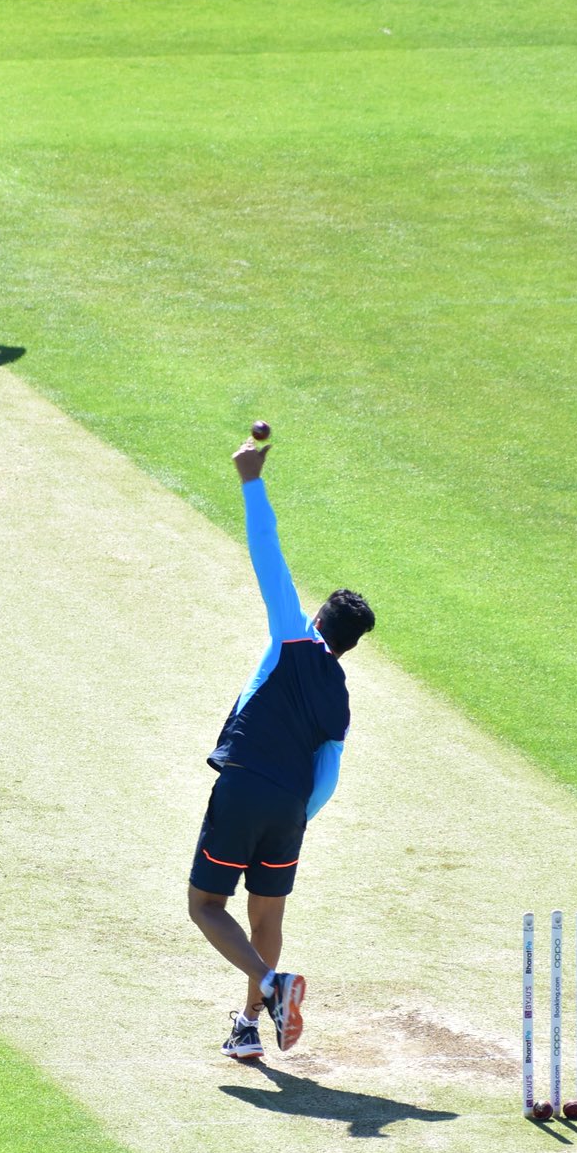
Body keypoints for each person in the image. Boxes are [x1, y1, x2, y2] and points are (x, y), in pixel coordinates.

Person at [188, 425, 374, 1061]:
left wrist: (251, 480)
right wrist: (297, 817)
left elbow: (268, 555)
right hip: (292, 810)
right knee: (267, 919)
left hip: (243, 787)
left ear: (320, 620)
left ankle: (269, 986)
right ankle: (246, 1027)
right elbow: (329, 776)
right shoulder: (341, 698)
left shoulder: (293, 636)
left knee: (207, 906)